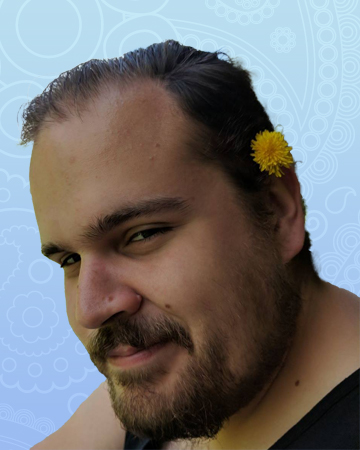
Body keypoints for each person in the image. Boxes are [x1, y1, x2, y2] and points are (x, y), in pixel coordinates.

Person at [23, 40, 359, 450]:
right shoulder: (187, 373)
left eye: (142, 235)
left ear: (276, 210)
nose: (91, 310)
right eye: (70, 259)